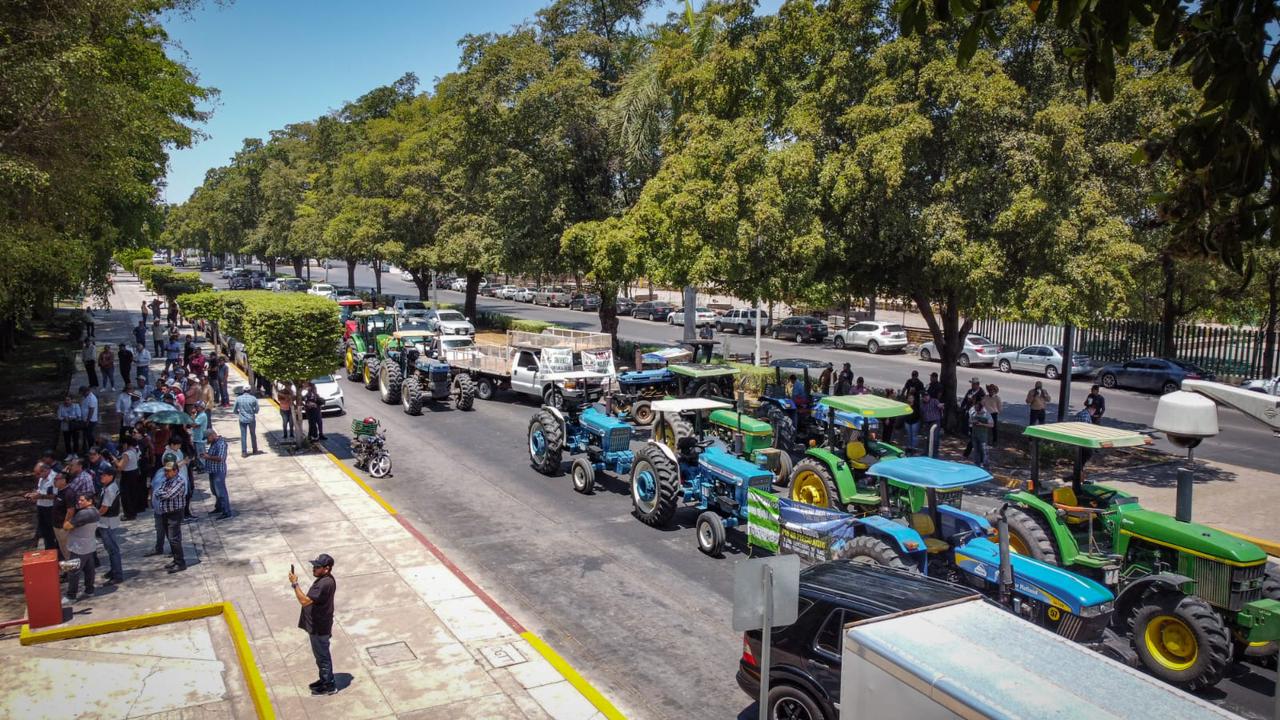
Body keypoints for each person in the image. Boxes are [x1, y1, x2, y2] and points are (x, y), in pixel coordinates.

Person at [290, 554, 338, 695]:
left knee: (322, 657)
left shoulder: (323, 584)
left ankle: (329, 685)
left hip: (319, 627)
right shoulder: (326, 580)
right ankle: (324, 679)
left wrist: (295, 584)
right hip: (320, 624)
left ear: (326, 568)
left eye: (317, 567)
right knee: (320, 656)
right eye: (314, 566)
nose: (314, 569)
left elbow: (304, 601)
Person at [152, 462, 187, 573]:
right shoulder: (166, 481)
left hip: (175, 513)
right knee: (170, 537)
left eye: (168, 471)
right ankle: (175, 560)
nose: (166, 473)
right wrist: (162, 493)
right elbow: (157, 491)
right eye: (165, 470)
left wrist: (162, 493)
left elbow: (169, 495)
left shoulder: (179, 481)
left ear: (175, 471)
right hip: (165, 512)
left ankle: (180, 563)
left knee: (174, 538)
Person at [64, 493, 100, 599]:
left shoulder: (83, 514)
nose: (79, 502)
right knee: (89, 570)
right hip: (89, 546)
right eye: (79, 500)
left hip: (78, 547)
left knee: (73, 571)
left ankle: (71, 595)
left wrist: (69, 514)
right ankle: (89, 590)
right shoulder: (95, 511)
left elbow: (66, 526)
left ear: (90, 501)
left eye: (82, 500)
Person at [96, 468, 124, 584]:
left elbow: (104, 508)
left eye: (104, 475)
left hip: (107, 522)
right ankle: (113, 570)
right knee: (110, 549)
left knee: (113, 550)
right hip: (105, 521)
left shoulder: (110, 489)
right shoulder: (107, 487)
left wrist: (93, 516)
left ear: (111, 476)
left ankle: (117, 575)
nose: (101, 477)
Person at [25, 462, 59, 551]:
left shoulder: (54, 478)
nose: (37, 476)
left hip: (51, 509)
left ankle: (56, 552)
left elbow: (55, 496)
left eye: (38, 473)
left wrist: (40, 496)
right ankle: (49, 550)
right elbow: (41, 491)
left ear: (46, 470)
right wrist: (33, 495)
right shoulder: (42, 478)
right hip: (41, 507)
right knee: (45, 532)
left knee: (52, 532)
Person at [202, 427, 233, 518]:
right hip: (212, 470)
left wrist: (208, 457)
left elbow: (220, 458)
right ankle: (219, 507)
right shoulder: (214, 443)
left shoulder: (221, 444)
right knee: (214, 490)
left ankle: (226, 511)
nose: (207, 441)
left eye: (208, 438)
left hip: (219, 471)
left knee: (221, 492)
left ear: (212, 435)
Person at [116, 436, 145, 520]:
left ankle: (129, 514)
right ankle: (133, 511)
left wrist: (115, 460)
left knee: (126, 495)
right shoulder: (136, 450)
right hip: (135, 473)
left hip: (127, 474)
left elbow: (120, 467)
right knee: (133, 494)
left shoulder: (127, 453)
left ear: (126, 444)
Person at [960, 378, 985, 455]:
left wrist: (974, 402)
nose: (972, 385)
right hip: (969, 412)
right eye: (972, 384)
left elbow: (982, 404)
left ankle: (969, 451)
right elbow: (964, 400)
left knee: (974, 434)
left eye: (974, 384)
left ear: (977, 385)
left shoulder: (981, 393)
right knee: (970, 431)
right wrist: (962, 407)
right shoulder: (970, 391)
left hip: (976, 415)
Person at [233, 387, 260, 456]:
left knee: (243, 435)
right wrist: (252, 412)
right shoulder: (253, 398)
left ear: (243, 390)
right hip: (251, 419)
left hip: (242, 419)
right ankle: (255, 449)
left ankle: (244, 452)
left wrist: (239, 413)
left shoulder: (238, 399)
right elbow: (257, 409)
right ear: (250, 390)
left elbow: (234, 410)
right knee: (253, 434)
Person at [968, 400, 993, 470]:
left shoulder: (986, 414)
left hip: (983, 435)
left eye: (978, 410)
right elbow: (969, 421)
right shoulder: (973, 412)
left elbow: (992, 425)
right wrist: (973, 422)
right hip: (974, 434)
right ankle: (977, 465)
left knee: (984, 450)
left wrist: (982, 424)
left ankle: (986, 466)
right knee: (976, 450)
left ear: (981, 408)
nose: (977, 412)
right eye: (976, 410)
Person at [79, 386, 99, 457]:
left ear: (86, 391)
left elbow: (91, 410)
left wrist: (87, 421)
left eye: (82, 393)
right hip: (84, 419)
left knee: (89, 435)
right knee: (85, 434)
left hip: (90, 420)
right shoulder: (85, 397)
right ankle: (85, 448)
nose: (82, 394)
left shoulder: (92, 398)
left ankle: (92, 448)